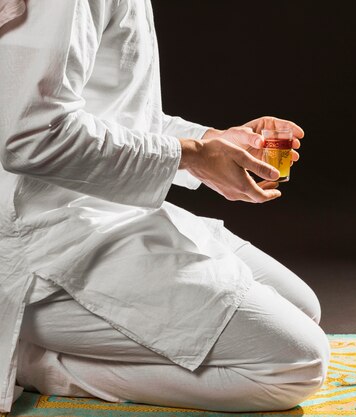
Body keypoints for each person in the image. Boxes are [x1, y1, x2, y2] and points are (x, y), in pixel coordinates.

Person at [0, 0, 330, 413]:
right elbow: (30, 136)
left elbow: (114, 113)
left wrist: (215, 143)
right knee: (296, 366)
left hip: (110, 212)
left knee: (303, 309)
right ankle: (30, 362)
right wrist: (190, 155)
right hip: (41, 241)